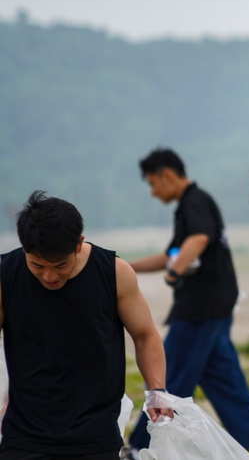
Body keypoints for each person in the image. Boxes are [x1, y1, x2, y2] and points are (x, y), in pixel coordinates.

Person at [0, 191, 171, 459]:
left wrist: (157, 392)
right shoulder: (5, 275)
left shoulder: (114, 273)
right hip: (24, 435)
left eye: (59, 265)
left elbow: (144, 335)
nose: (49, 276)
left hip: (95, 434)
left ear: (78, 244)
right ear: (24, 247)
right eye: (37, 265)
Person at [123, 148, 249, 455]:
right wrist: (125, 267)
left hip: (199, 309)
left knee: (169, 373)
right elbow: (171, 254)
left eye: (152, 183)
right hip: (216, 306)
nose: (153, 191)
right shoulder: (192, 204)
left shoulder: (194, 201)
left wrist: (175, 274)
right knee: (224, 378)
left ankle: (140, 446)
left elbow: (198, 240)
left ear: (166, 175)